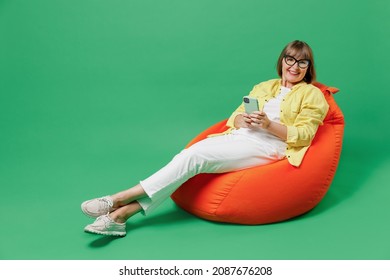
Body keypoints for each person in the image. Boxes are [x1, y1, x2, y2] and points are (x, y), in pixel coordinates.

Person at [81, 40, 329, 237]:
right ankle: (119, 217)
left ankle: (117, 198)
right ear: (282, 60)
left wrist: (269, 124)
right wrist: (244, 120)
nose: (294, 66)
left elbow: (305, 135)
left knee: (194, 157)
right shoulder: (265, 86)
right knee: (186, 160)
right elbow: (235, 117)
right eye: (290, 59)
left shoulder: (312, 94)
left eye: (302, 62)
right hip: (239, 136)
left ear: (309, 68)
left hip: (268, 145)